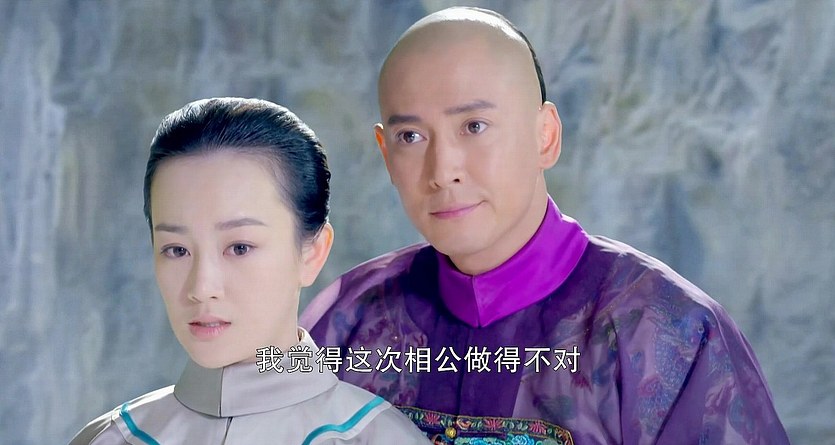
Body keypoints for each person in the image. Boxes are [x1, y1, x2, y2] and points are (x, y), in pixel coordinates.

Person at [301, 7, 790, 445]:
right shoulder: (345, 323)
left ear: (546, 137)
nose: (442, 170)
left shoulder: (669, 333)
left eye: (474, 126)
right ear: (386, 154)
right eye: (411, 136)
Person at [69, 98, 430, 444]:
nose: (202, 287)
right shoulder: (112, 438)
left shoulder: (378, 437)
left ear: (312, 253)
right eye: (177, 250)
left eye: (239, 247)